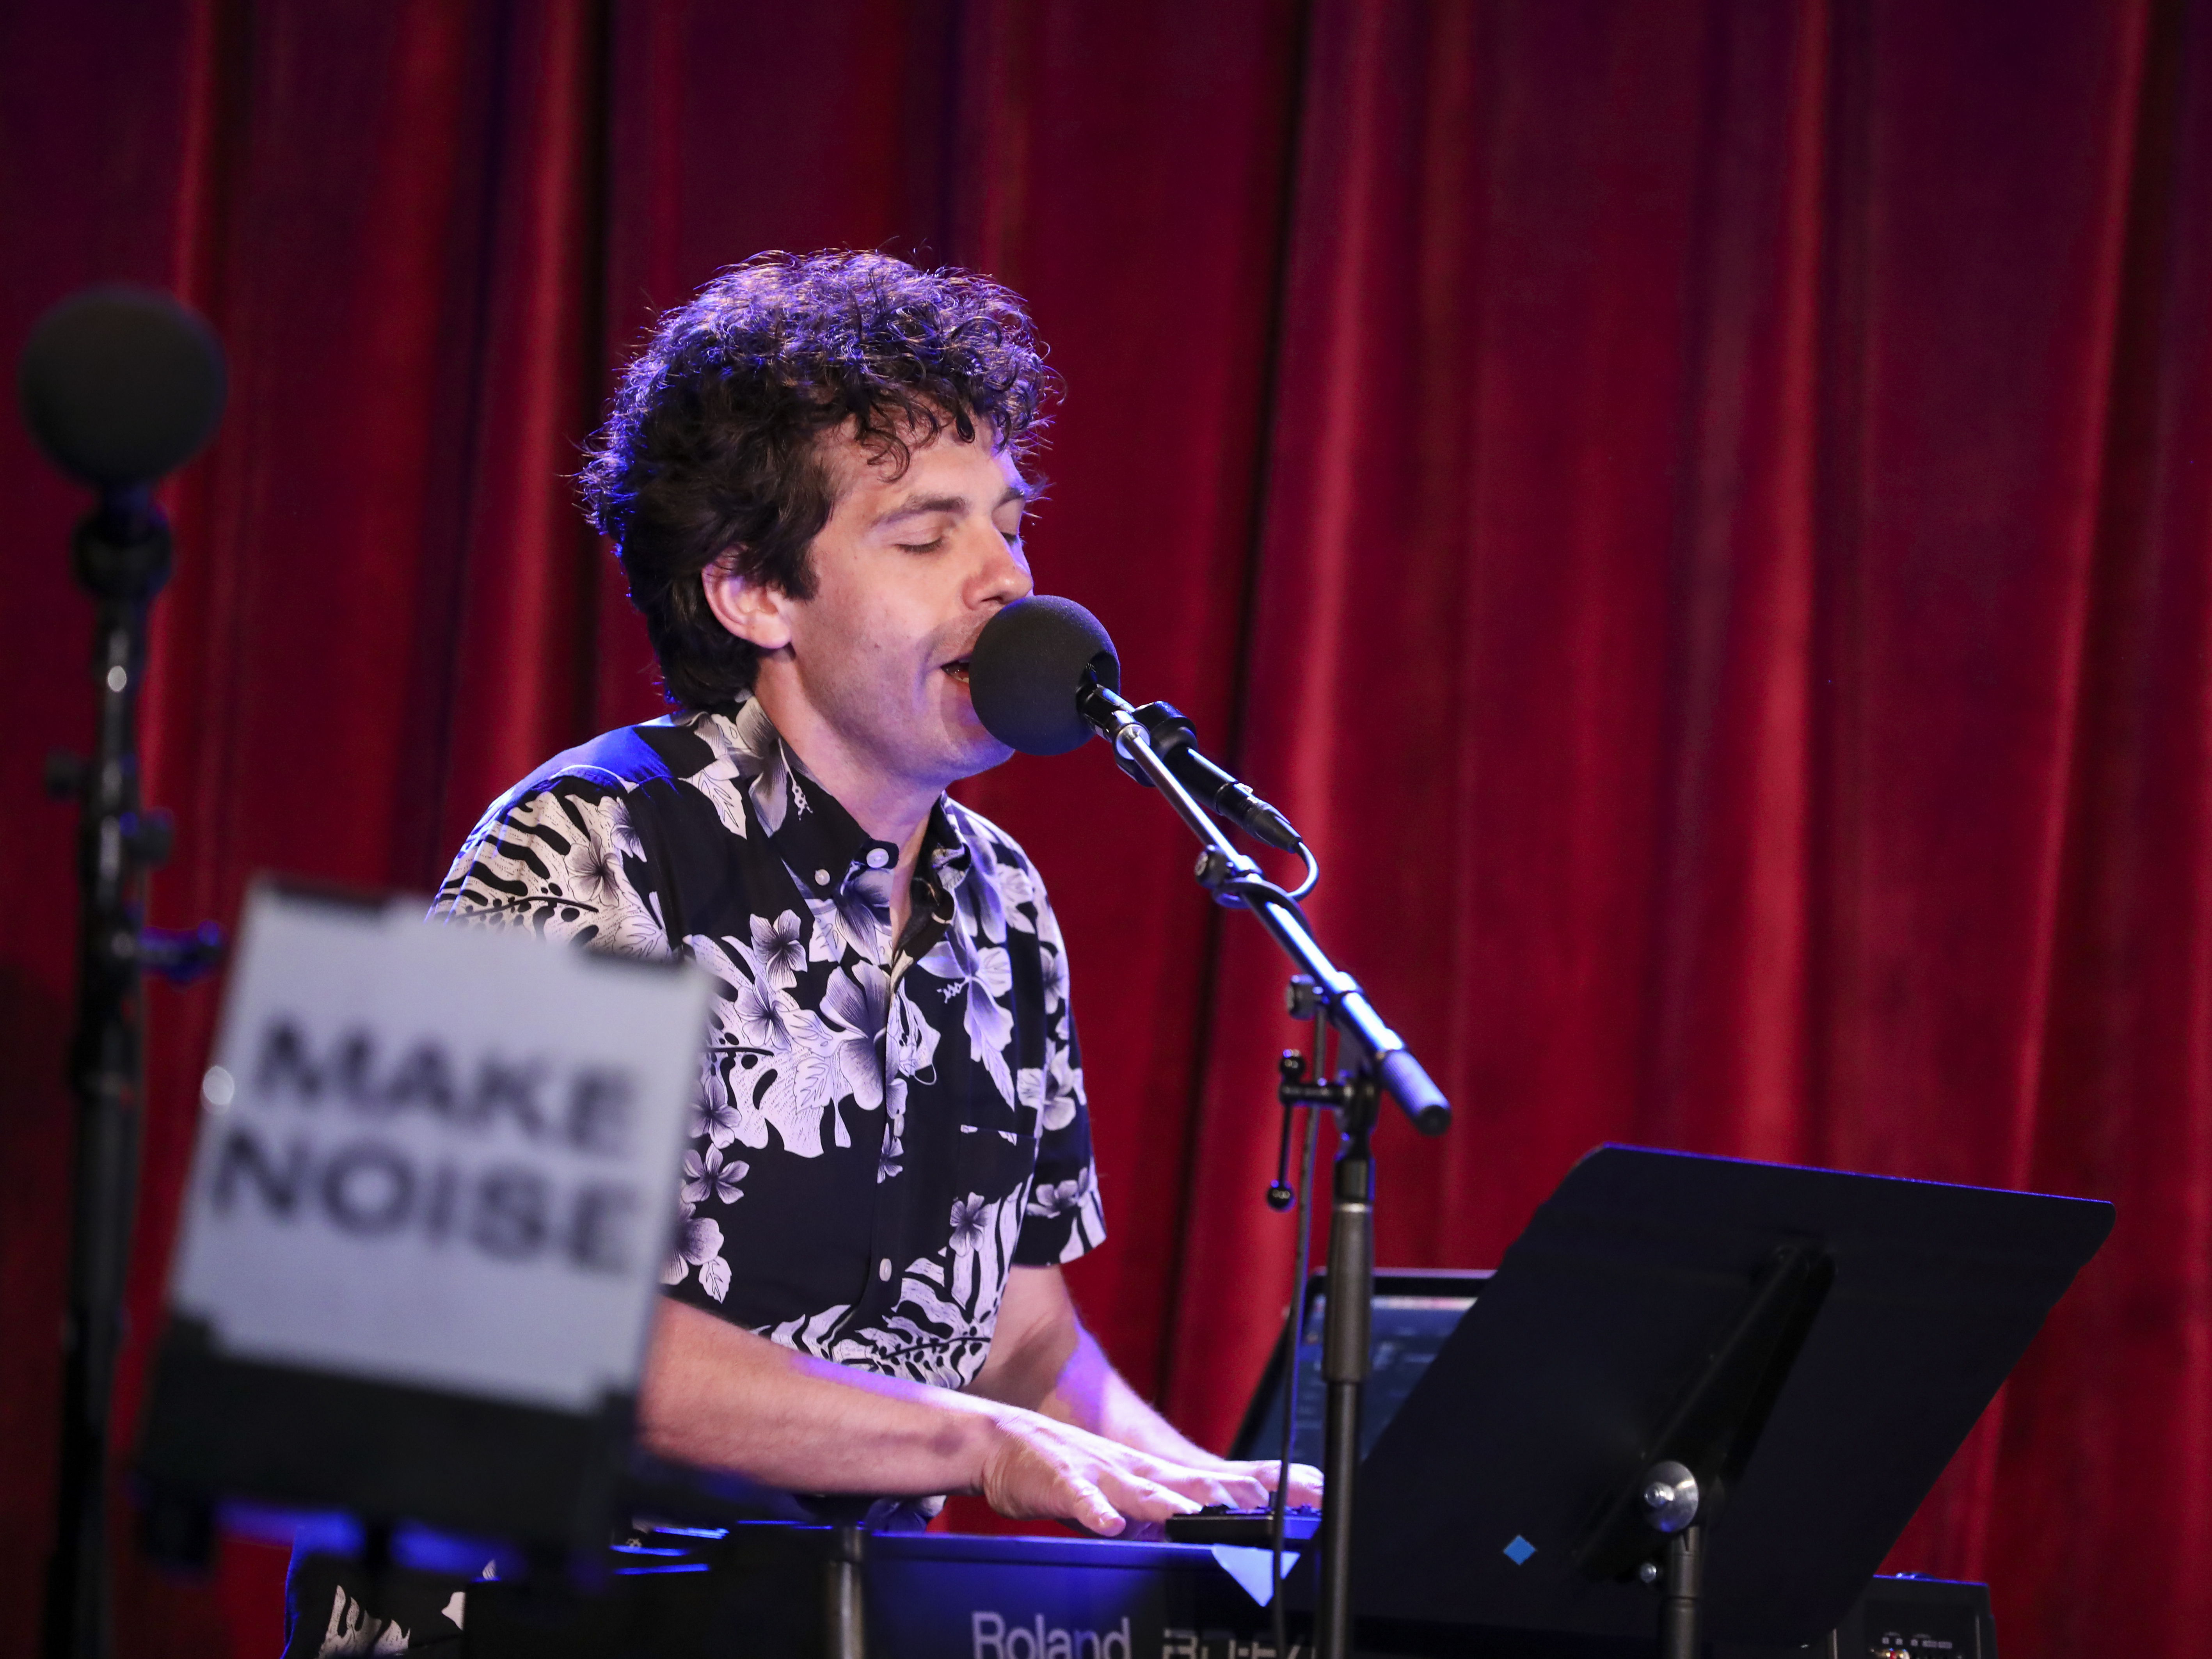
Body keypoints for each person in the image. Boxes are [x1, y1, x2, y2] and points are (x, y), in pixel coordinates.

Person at [284, 249, 1316, 1656]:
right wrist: (973, 1444)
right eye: (924, 534)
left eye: (1009, 524)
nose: (1003, 576)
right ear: (754, 594)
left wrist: (1191, 1485)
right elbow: (545, 1329)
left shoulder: (1003, 903)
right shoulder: (584, 843)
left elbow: (1018, 1331)